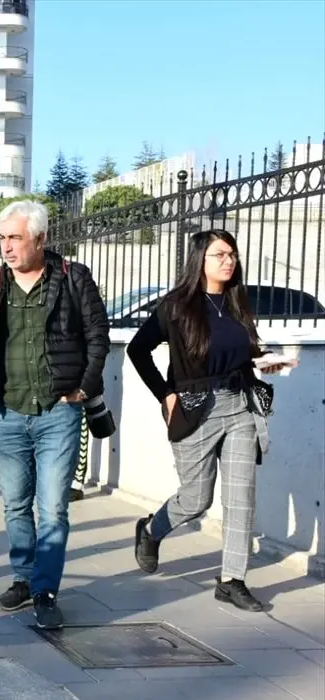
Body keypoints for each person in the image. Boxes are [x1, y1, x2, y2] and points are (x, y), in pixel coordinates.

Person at [0, 200, 110, 630]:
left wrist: (83, 387)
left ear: (41, 239)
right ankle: (23, 578)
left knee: (52, 507)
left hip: (57, 412)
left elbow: (97, 335)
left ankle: (45, 590)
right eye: (2, 238)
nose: (6, 247)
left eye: (15, 238)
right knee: (15, 504)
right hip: (5, 413)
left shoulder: (72, 277)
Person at [126, 230, 284, 612]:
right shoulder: (176, 306)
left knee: (241, 497)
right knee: (197, 498)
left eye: (232, 254)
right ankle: (151, 529)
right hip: (197, 409)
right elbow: (137, 350)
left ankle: (232, 579)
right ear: (200, 260)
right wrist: (165, 393)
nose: (228, 261)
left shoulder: (237, 303)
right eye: (219, 255)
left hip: (241, 406)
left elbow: (245, 351)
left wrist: (266, 360)